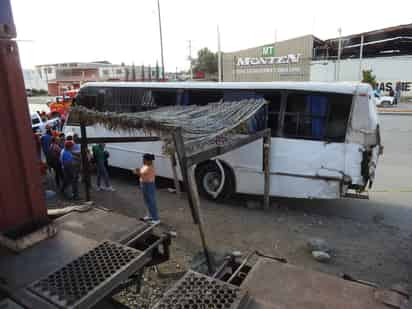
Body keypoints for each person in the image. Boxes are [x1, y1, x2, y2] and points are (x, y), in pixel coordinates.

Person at [133, 153, 159, 224]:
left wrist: (136, 171)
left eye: (144, 160)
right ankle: (150, 216)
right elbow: (141, 172)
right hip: (145, 185)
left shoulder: (149, 167)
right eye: (143, 159)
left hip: (149, 185)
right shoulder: (145, 165)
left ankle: (156, 219)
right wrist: (138, 170)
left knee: (151, 202)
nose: (143, 161)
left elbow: (141, 174)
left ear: (149, 160)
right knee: (147, 201)